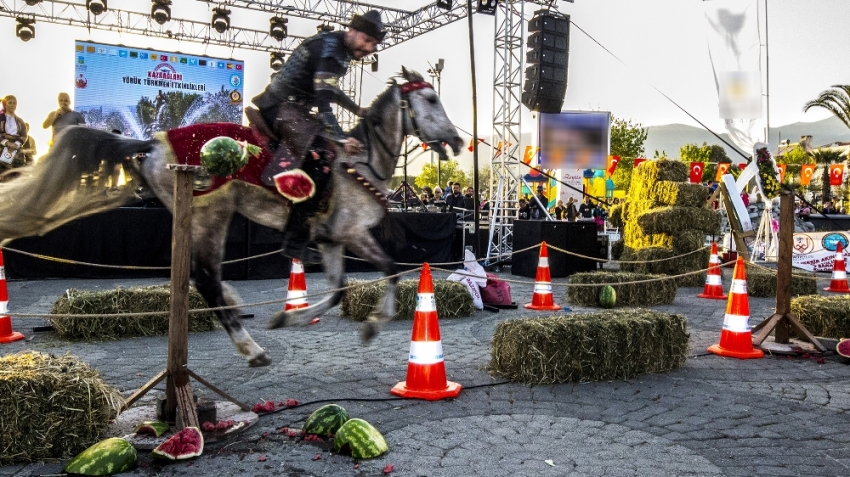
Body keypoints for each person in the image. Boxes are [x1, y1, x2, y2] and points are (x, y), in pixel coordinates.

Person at [249, 10, 385, 261]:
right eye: (367, 40)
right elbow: (324, 105)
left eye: (373, 45)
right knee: (322, 156)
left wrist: (356, 109)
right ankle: (295, 240)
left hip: (292, 107)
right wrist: (343, 137)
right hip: (280, 106)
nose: (369, 48)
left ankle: (312, 223)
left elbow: (329, 89)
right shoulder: (332, 52)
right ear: (352, 31)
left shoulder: (336, 48)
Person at [1, 95, 29, 170]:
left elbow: (24, 135)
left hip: (17, 146)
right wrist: (6, 143)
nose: (12, 105)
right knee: (3, 172)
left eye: (14, 103)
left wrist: (16, 144)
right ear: (5, 104)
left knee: (17, 172)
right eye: (10, 103)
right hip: (2, 145)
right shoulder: (1, 118)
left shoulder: (20, 120)